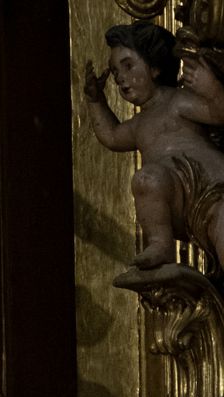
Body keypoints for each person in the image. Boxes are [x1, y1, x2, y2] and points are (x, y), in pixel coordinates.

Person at [85, 22, 224, 269]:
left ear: (155, 67)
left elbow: (218, 113)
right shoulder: (138, 124)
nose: (121, 78)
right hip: (176, 199)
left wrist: (210, 86)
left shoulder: (178, 101)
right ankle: (160, 245)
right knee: (146, 180)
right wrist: (96, 101)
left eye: (128, 66)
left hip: (212, 188)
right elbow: (112, 136)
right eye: (115, 72)